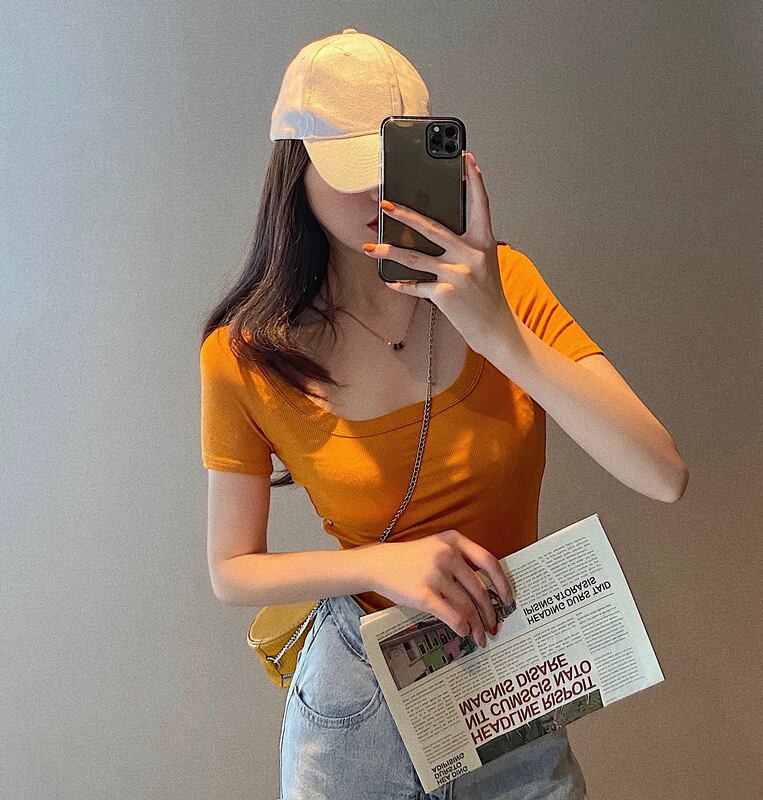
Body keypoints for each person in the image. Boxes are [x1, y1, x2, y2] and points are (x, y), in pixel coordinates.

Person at [199, 28, 688, 800]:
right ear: (295, 166)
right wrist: (378, 564)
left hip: (507, 674)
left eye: (395, 166)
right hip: (356, 698)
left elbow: (662, 475)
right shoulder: (249, 353)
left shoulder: (504, 287)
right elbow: (231, 569)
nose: (378, 194)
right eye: (352, 170)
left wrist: (498, 333)